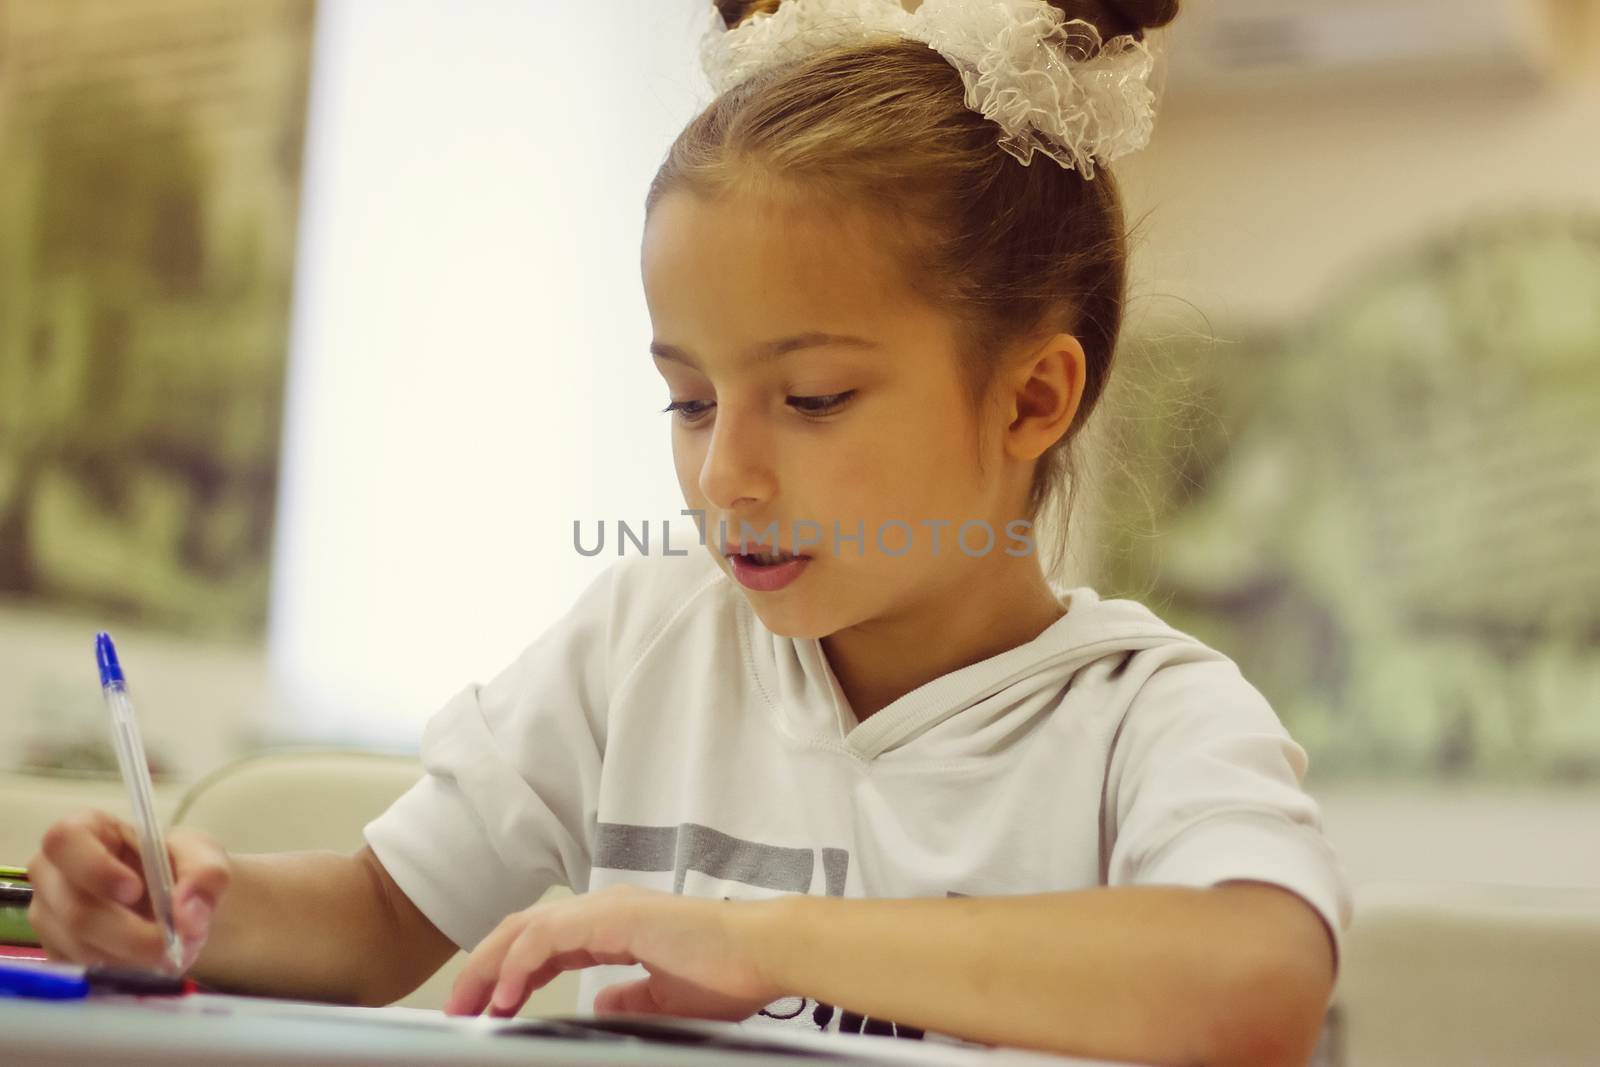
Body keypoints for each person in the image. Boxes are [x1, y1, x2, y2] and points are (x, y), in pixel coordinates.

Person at [27, 2, 1352, 1064]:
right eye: (689, 398)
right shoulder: (646, 642)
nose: (727, 473)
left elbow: (1252, 988)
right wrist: (187, 908)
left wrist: (762, 942)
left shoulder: (1144, 717)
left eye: (814, 399)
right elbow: (377, 921)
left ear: (1033, 397)